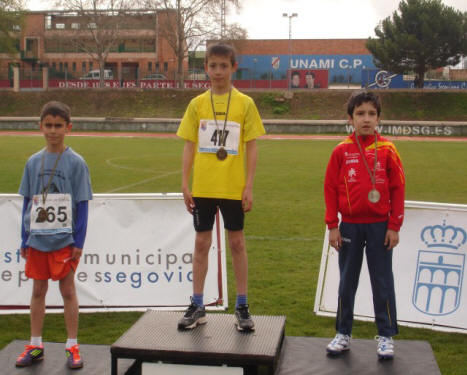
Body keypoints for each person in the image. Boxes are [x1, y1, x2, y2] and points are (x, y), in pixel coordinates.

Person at [176, 43, 265, 332]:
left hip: (233, 187)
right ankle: (198, 304)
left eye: (223, 66)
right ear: (206, 68)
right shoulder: (197, 104)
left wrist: (249, 186)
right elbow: (189, 146)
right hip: (203, 186)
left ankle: (242, 305)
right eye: (212, 66)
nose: (217, 72)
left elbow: (252, 148)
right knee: (201, 244)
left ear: (233, 68)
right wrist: (185, 183)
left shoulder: (245, 104)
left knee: (237, 243)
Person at [323, 90, 405, 359]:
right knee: (347, 281)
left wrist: (394, 225)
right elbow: (330, 188)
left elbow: (398, 188)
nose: (366, 119)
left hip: (380, 225)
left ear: (379, 118)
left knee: (382, 281)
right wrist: (332, 225)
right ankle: (343, 333)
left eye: (371, 114)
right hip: (349, 226)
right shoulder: (341, 151)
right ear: (351, 119)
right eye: (360, 114)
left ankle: (386, 335)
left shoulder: (389, 150)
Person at [15, 101, 93, 369]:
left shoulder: (76, 163)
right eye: (48, 125)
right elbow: (27, 202)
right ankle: (36, 345)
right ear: (40, 126)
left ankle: (72, 346)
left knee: (68, 290)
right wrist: (23, 238)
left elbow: (82, 204)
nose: (53, 130)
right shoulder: (33, 162)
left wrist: (78, 242)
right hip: (37, 239)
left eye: (58, 126)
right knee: (38, 290)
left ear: (68, 128)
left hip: (64, 240)